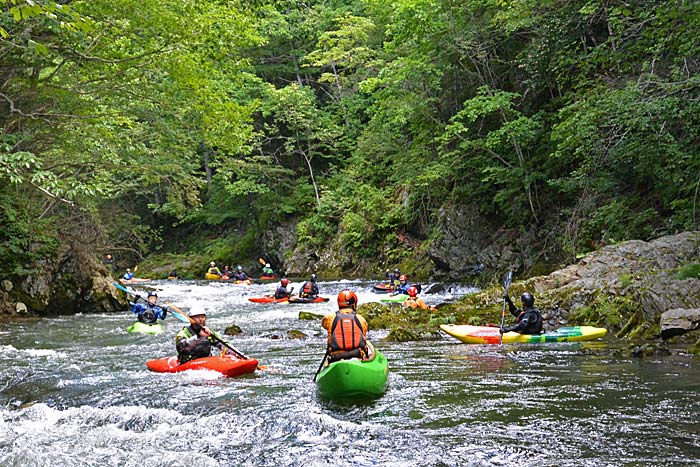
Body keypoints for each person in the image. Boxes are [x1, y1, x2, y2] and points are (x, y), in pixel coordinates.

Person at [321, 290, 369, 363]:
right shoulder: (360, 319)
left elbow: (324, 324)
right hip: (357, 355)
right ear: (353, 304)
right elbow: (364, 334)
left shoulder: (330, 318)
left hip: (335, 357)